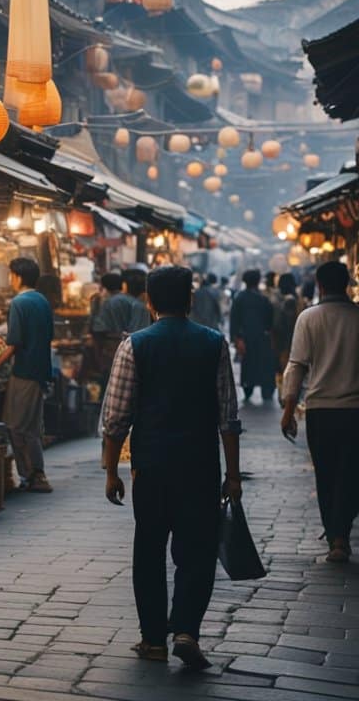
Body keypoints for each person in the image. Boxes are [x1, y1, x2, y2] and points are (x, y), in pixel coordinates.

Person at [101, 266, 241, 672]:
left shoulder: (134, 346)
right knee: (196, 551)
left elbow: (116, 418)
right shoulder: (214, 344)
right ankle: (186, 631)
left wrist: (112, 470)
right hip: (200, 466)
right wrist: (232, 476)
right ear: (191, 300)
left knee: (149, 549)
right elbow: (228, 418)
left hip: (151, 466)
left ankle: (152, 640)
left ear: (149, 301)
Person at [280, 261, 359, 563]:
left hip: (320, 411)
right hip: (354, 411)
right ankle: (340, 532)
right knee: (351, 473)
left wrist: (288, 410)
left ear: (320, 285)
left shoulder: (308, 318)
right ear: (348, 285)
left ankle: (335, 535)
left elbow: (297, 365)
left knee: (325, 474)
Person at [0, 257, 54, 493]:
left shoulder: (19, 303)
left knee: (17, 425)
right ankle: (33, 473)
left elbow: (14, 343)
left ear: (18, 276)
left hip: (25, 371)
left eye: (11, 275)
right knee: (30, 424)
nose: (9, 279)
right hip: (40, 369)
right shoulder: (43, 301)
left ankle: (34, 474)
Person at [231, 269, 277, 404]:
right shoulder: (264, 299)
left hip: (246, 338)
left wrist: (237, 339)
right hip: (263, 338)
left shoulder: (239, 298)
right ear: (257, 281)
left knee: (248, 365)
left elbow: (234, 321)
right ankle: (266, 390)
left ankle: (248, 388)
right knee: (264, 365)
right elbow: (270, 322)